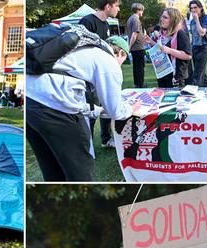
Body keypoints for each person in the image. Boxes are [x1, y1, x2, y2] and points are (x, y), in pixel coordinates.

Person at [26, 35, 142, 181]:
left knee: (52, 169)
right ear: (121, 54)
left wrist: (97, 110)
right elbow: (116, 111)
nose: (120, 65)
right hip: (54, 107)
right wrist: (132, 108)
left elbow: (70, 96)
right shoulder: (108, 62)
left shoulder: (85, 49)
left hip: (31, 102)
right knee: (81, 170)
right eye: (123, 61)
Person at [80, 0, 121, 148]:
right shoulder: (87, 21)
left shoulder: (106, 25)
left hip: (103, 74)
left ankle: (106, 139)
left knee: (107, 107)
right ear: (108, 6)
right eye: (117, 6)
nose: (118, 9)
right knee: (91, 111)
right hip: (89, 75)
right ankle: (87, 146)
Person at [144, 8, 192, 88]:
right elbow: (162, 49)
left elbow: (188, 55)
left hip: (176, 76)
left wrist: (170, 51)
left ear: (173, 20)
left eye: (165, 17)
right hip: (163, 72)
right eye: (162, 17)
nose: (161, 19)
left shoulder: (180, 34)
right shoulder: (163, 34)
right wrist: (151, 42)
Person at [188, 0, 207, 86]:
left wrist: (197, 20)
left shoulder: (206, 18)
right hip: (194, 48)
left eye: (195, 7)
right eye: (191, 8)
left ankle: (197, 92)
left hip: (203, 47)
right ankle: (205, 87)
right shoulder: (191, 21)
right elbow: (193, 37)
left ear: (201, 8)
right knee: (201, 73)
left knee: (197, 75)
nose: (193, 10)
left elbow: (202, 33)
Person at [127, 3, 146, 88]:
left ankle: (137, 84)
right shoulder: (135, 19)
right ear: (139, 10)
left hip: (136, 48)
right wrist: (129, 47)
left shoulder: (131, 18)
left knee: (136, 67)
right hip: (138, 47)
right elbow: (134, 34)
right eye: (142, 10)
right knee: (140, 67)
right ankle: (140, 85)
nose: (142, 12)